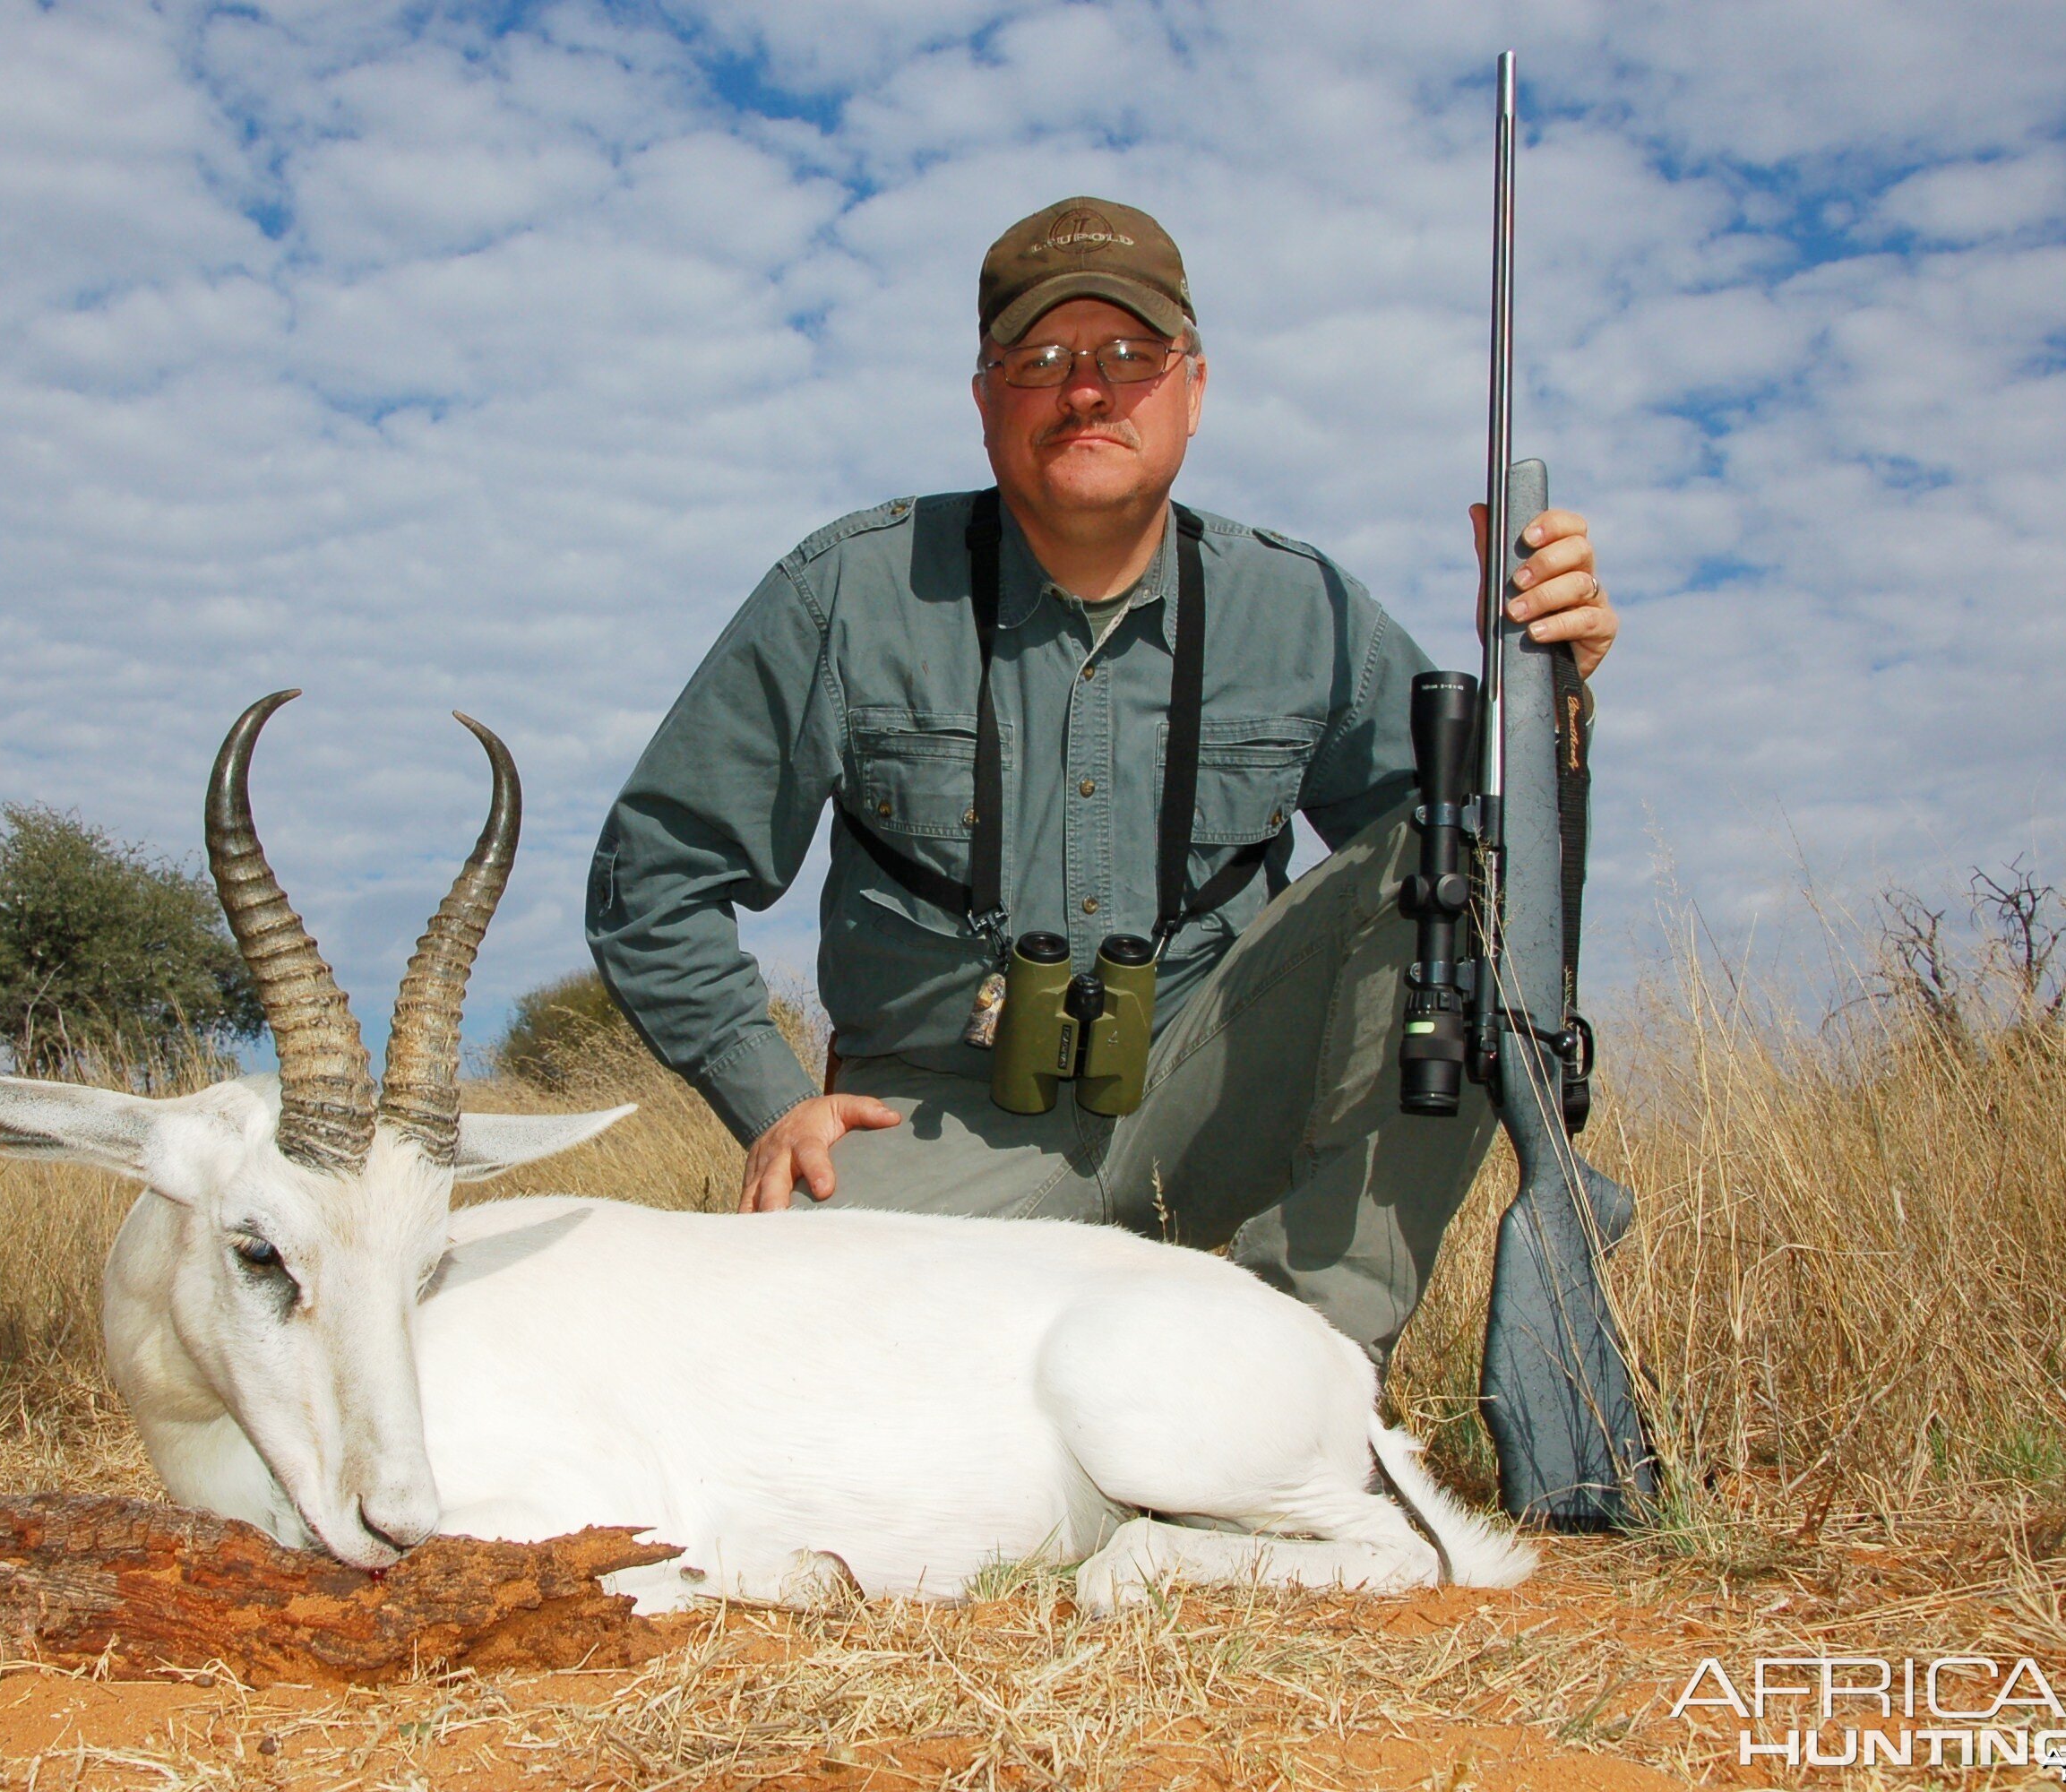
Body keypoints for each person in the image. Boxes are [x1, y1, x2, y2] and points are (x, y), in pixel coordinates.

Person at [585, 197, 1617, 1366]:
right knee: (812, 1378)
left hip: (1211, 1111)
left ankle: (1300, 1368)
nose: (1088, 389)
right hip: (940, 1128)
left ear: (1194, 387)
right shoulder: (844, 592)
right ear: (983, 398)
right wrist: (770, 1097)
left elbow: (1461, 882)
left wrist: (1552, 700)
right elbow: (652, 877)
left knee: (1466, 860)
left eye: (1131, 357)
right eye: (1040, 359)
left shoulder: (1304, 607)